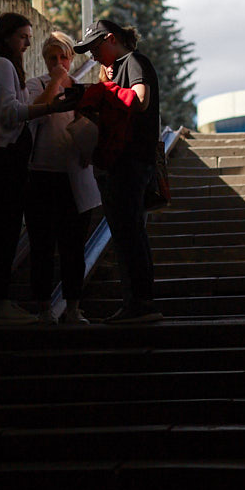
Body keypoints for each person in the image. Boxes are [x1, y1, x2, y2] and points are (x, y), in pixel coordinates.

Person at [0, 13, 77, 325]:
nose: (28, 43)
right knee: (3, 229)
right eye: (23, 37)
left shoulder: (5, 67)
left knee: (4, 229)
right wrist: (48, 108)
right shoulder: (2, 66)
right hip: (1, 156)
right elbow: (8, 114)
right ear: (7, 37)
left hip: (3, 156)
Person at [72, 19, 163, 324]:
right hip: (117, 161)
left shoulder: (133, 61)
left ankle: (141, 303)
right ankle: (135, 302)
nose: (92, 55)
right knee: (125, 234)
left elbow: (139, 99)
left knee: (130, 232)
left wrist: (102, 93)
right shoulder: (113, 69)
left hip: (132, 160)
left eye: (95, 47)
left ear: (111, 39)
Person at [23, 31, 100, 325]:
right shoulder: (36, 85)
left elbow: (93, 124)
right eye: (52, 58)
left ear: (71, 58)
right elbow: (35, 115)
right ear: (44, 60)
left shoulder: (82, 89)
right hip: (41, 176)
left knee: (73, 246)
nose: (58, 62)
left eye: (63, 57)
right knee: (42, 245)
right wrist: (55, 81)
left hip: (74, 177)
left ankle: (73, 308)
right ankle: (44, 308)